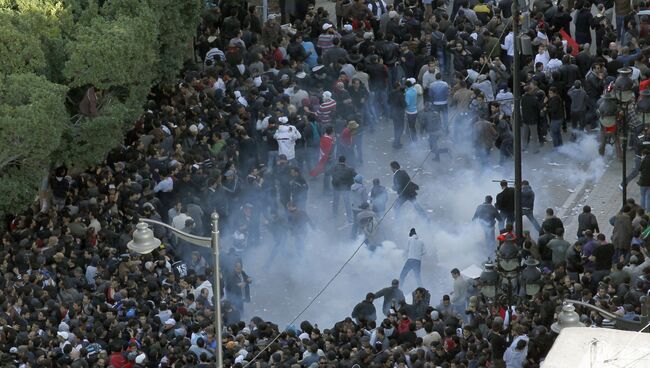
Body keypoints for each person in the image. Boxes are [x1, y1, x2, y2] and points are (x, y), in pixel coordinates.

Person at [329, 156, 357, 223]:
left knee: (335, 202)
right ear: (345, 161)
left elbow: (328, 172)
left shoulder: (334, 168)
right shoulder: (350, 169)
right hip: (346, 188)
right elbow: (356, 176)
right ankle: (349, 218)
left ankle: (334, 215)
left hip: (336, 187)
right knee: (347, 203)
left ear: (339, 161)